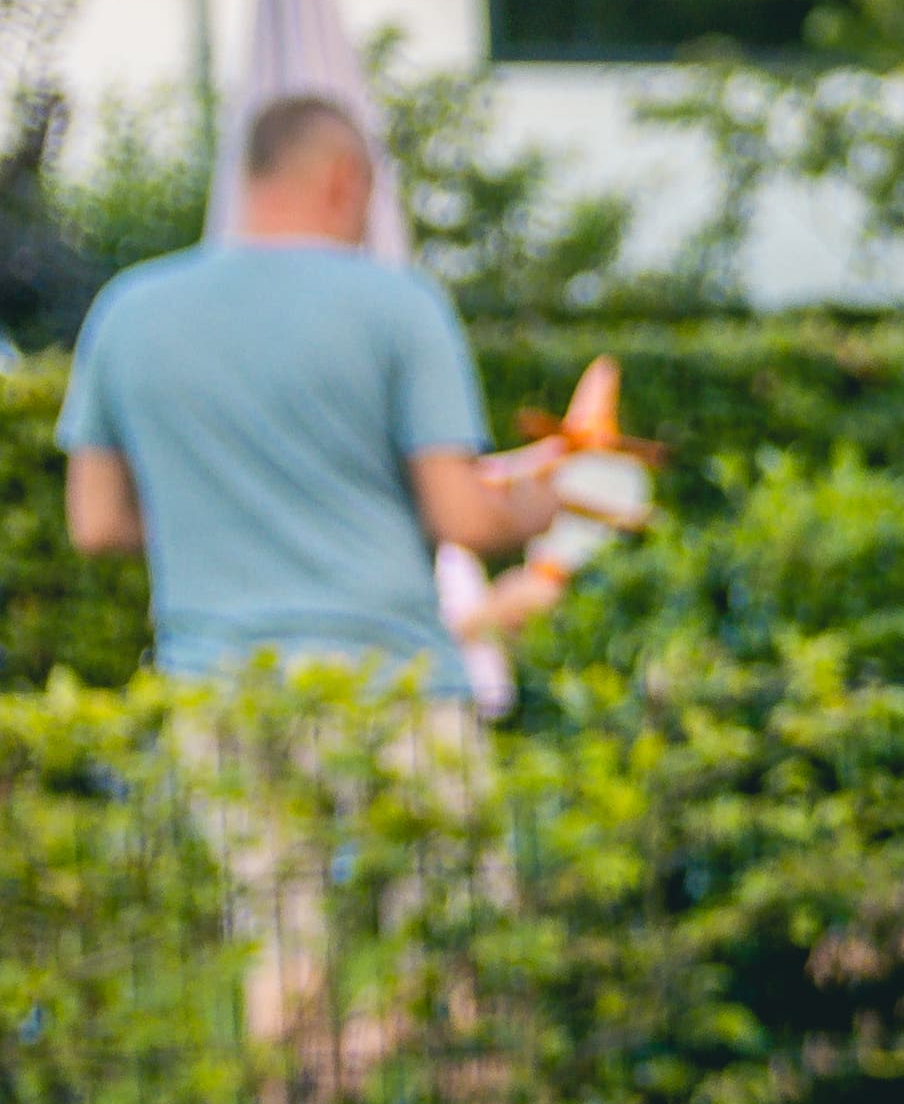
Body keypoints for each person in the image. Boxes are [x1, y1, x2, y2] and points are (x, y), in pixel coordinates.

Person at [59, 90, 580, 692]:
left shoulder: (128, 310)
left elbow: (96, 524)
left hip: (211, 690)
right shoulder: (402, 304)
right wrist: (543, 505)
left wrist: (236, 520)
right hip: (391, 688)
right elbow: (463, 517)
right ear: (344, 180)